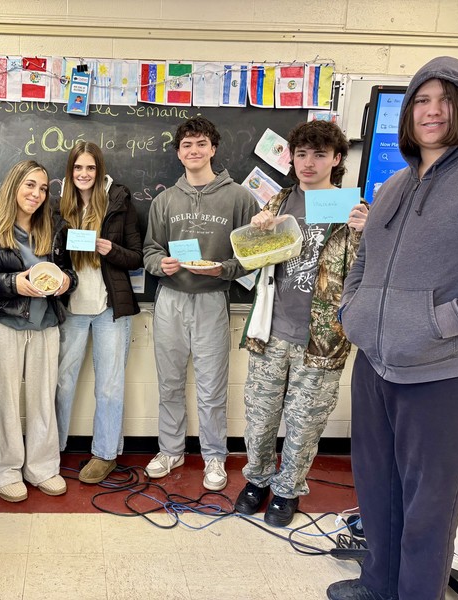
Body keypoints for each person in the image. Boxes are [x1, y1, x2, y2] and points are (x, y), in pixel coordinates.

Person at [327, 56, 458, 600]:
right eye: (422, 100)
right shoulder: (395, 182)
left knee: (429, 511)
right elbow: (366, 258)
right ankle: (379, 585)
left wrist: (443, 322)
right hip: (376, 366)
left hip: (447, 374)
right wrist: (351, 310)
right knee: (378, 494)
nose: (432, 110)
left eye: (446, 99)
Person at [234, 121, 368, 527]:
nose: (309, 163)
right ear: (291, 157)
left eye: (320, 154)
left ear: (337, 159)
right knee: (259, 417)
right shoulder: (278, 201)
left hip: (322, 339)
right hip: (270, 332)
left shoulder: (351, 207)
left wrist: (368, 231)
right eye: (302, 154)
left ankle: (288, 490)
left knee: (305, 422)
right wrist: (258, 233)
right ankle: (257, 480)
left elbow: (367, 269)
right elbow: (255, 262)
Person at [143, 116, 259, 491]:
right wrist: (158, 264)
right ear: (179, 153)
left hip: (212, 300)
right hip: (170, 300)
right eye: (187, 146)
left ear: (213, 148)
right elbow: (150, 250)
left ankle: (213, 456)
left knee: (211, 386)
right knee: (170, 382)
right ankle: (171, 449)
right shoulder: (164, 200)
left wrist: (221, 269)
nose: (194, 151)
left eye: (201, 144)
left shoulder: (239, 197)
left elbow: (250, 255)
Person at [0, 160, 76, 502]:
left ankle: (43, 467)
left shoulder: (55, 228)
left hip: (46, 326)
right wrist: (13, 282)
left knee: (44, 400)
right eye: (30, 185)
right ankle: (3, 470)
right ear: (15, 185)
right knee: (4, 401)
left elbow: (69, 273)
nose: (37, 194)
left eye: (43, 188)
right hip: (5, 323)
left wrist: (64, 283)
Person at [54, 141, 143, 484]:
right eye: (78, 168)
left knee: (109, 385)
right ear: (70, 171)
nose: (84, 174)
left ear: (99, 170)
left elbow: (135, 256)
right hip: (71, 307)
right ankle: (52, 448)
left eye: (90, 168)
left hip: (110, 308)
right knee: (62, 382)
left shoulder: (119, 201)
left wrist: (110, 249)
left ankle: (105, 453)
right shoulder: (58, 203)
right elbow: (50, 253)